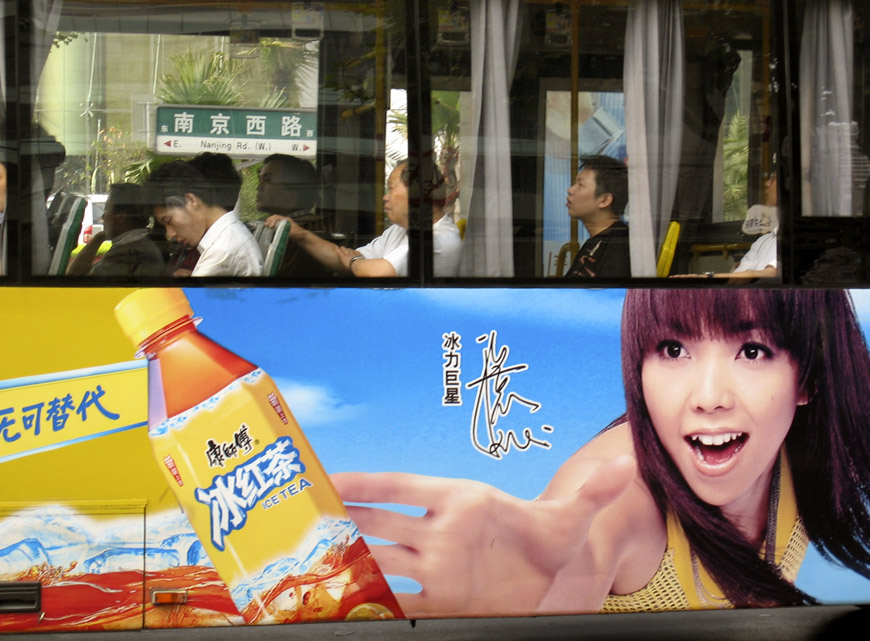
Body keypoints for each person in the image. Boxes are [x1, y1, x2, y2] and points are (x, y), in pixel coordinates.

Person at [333, 289, 870, 617]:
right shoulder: (622, 493)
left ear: (808, 378)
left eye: (752, 351)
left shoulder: (816, 453)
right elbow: (577, 551)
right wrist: (522, 600)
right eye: (673, 349)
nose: (708, 399)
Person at [265, 160, 462, 277]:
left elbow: (377, 271)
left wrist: (354, 263)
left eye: (391, 188)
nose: (385, 196)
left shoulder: (440, 239)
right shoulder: (399, 231)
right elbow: (344, 257)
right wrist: (301, 235)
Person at [146, 161, 262, 277]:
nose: (170, 234)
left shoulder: (221, 252)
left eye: (169, 221)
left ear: (191, 200)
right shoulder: (229, 236)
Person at [66, 183, 164, 277]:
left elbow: (73, 276)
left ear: (121, 216)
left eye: (106, 210)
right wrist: (99, 237)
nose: (103, 217)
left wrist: (97, 239)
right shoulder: (140, 245)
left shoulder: (126, 254)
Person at [564, 154, 630, 279]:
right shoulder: (600, 239)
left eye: (580, 185)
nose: (570, 190)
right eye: (574, 183)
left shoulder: (619, 244)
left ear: (604, 200)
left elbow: (609, 295)